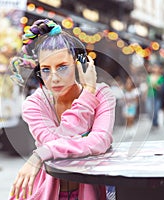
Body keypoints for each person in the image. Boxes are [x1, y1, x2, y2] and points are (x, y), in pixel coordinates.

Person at [9, 19, 116, 200]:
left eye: (62, 67)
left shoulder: (102, 94)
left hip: (91, 193)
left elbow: (100, 141)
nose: (54, 78)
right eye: (46, 70)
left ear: (78, 64)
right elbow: (57, 139)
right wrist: (87, 96)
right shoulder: (34, 104)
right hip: (45, 192)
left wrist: (89, 91)